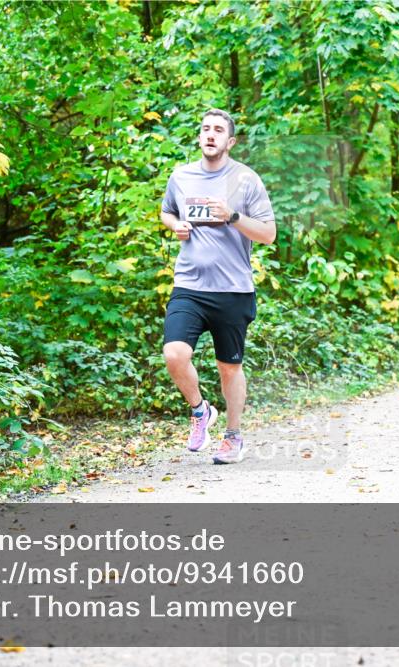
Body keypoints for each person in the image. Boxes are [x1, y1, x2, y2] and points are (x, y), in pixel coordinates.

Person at [160, 109, 276, 464]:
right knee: (174, 354)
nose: (210, 135)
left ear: (231, 141)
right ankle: (200, 411)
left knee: (229, 367)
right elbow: (166, 211)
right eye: (205, 129)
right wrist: (175, 224)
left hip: (233, 289)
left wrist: (233, 217)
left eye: (218, 130)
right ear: (200, 137)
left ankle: (233, 436)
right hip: (189, 285)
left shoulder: (246, 180)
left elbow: (269, 235)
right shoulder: (181, 177)